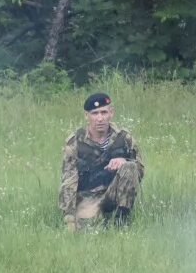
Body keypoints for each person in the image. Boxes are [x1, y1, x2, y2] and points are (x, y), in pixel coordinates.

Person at [60, 92, 143, 229]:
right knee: (89, 227)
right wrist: (68, 214)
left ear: (111, 113)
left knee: (130, 167)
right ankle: (97, 216)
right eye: (95, 113)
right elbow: (69, 179)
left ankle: (121, 221)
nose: (100, 118)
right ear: (86, 115)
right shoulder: (75, 141)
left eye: (104, 112)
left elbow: (140, 169)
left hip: (114, 193)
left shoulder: (124, 138)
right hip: (88, 197)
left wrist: (124, 162)